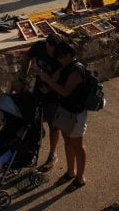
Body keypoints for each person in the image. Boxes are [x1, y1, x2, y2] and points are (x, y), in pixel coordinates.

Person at [35, 41, 88, 190]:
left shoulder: (77, 71)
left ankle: (80, 178)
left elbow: (65, 91)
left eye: (62, 57)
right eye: (58, 57)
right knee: (68, 143)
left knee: (77, 145)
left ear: (71, 55)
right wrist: (49, 83)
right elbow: (56, 82)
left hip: (76, 113)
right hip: (65, 110)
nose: (59, 60)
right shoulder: (65, 66)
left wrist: (48, 82)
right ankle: (70, 172)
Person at [22, 35, 62, 171]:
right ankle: (31, 152)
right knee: (34, 123)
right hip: (38, 91)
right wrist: (23, 76)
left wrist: (50, 88)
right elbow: (27, 58)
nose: (51, 53)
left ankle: (52, 154)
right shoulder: (39, 47)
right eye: (49, 50)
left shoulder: (61, 53)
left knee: (54, 126)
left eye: (54, 51)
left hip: (54, 95)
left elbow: (65, 76)